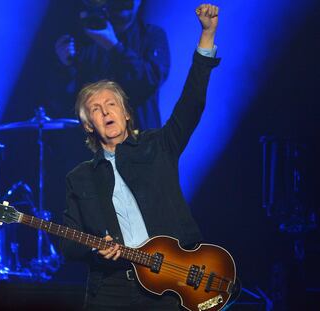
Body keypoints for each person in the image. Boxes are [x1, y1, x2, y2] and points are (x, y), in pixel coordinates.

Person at [60, 4, 220, 310]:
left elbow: (191, 104)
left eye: (111, 104)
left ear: (126, 113)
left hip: (169, 282)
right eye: (96, 108)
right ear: (87, 125)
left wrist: (207, 35)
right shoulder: (79, 177)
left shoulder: (157, 147)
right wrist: (96, 250)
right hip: (111, 286)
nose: (106, 111)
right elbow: (68, 245)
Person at [54, 0, 170, 130]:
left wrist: (113, 46)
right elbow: (65, 102)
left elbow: (150, 80)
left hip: (139, 138)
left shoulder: (151, 35)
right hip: (96, 140)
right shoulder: (87, 40)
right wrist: (66, 65)